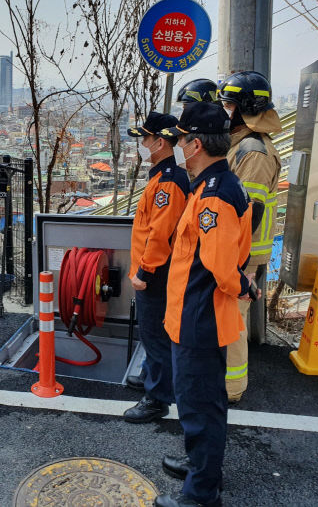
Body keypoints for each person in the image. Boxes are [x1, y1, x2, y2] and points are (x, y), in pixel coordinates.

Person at [154, 103, 256, 507]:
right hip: (193, 312)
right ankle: (200, 465)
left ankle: (200, 493)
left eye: (181, 139)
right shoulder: (216, 184)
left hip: (201, 315)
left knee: (200, 404)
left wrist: (242, 286)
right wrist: (242, 282)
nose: (177, 145)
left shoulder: (214, 195)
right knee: (199, 399)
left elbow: (219, 265)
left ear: (195, 144)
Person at [218, 71, 282, 403]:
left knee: (232, 323)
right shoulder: (242, 145)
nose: (223, 110)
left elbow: (249, 212)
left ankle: (230, 389)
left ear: (244, 108)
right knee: (226, 319)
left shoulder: (253, 151)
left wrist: (235, 261)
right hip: (238, 253)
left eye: (227, 104)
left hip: (243, 255)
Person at [123, 112, 190, 423]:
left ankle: (157, 398)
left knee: (156, 335)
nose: (141, 145)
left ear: (159, 142)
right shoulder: (162, 176)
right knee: (151, 334)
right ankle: (152, 376)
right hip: (155, 270)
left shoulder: (169, 182)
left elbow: (160, 234)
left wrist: (145, 272)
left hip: (157, 274)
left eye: (144, 139)